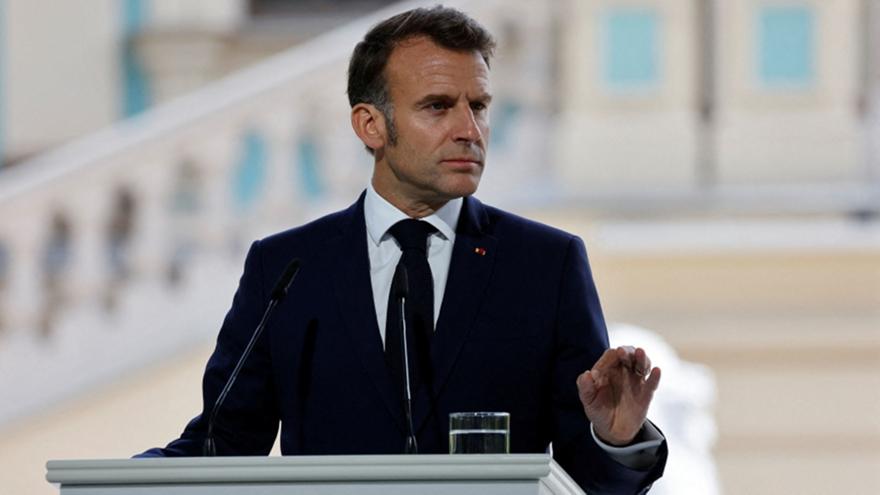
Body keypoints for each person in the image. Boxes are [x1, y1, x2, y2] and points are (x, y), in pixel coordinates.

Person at [139, 6, 667, 493]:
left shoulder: (545, 265)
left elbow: (589, 483)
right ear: (371, 125)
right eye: (438, 107)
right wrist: (119, 480)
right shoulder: (287, 270)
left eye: (479, 106)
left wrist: (615, 439)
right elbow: (221, 446)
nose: (469, 130)